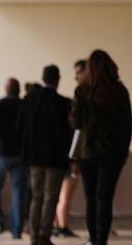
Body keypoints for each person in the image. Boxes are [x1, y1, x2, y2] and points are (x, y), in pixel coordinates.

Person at [70, 50, 132, 245]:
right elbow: (128, 123)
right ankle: (101, 241)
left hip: (87, 152)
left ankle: (93, 239)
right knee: (105, 198)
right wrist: (124, 150)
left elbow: (76, 122)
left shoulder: (82, 91)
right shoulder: (120, 90)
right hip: (113, 151)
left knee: (91, 198)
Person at [17, 65, 73, 245]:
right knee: (50, 198)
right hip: (54, 158)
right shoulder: (61, 102)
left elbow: (19, 127)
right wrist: (69, 155)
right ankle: (44, 235)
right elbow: (63, 132)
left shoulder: (29, 99)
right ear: (58, 79)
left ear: (42, 77)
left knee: (36, 197)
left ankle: (34, 237)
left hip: (33, 158)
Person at [0, 77, 28, 239]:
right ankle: (16, 230)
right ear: (18, 90)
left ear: (6, 89)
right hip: (20, 155)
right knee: (19, 192)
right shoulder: (24, 105)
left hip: (1, 154)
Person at [53, 59, 86, 238]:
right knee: (65, 196)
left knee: (59, 196)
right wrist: (74, 160)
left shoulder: (61, 123)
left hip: (60, 159)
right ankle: (63, 227)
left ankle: (57, 225)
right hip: (71, 160)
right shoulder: (72, 125)